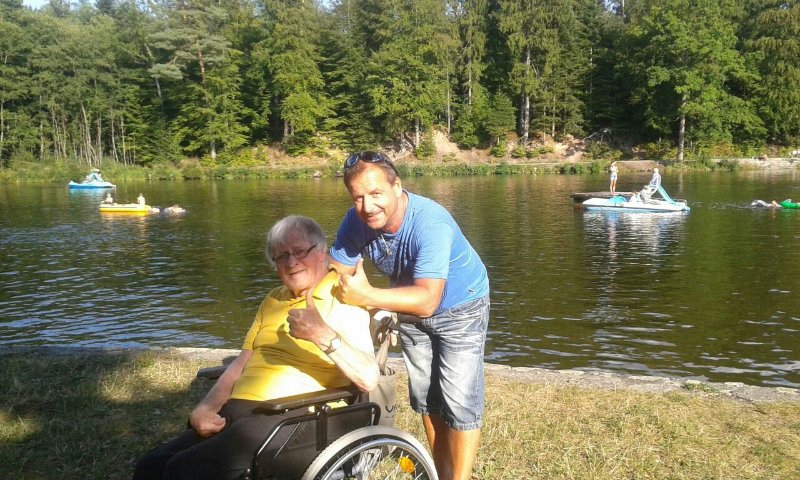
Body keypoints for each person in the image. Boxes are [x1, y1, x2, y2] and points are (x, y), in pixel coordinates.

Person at [133, 215, 379, 480]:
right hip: (239, 411)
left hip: (295, 417)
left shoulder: (343, 298)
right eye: (281, 256)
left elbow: (368, 378)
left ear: (321, 251)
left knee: (183, 470)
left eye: (299, 251)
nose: (291, 263)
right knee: (151, 466)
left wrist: (322, 335)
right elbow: (241, 363)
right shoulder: (273, 299)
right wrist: (206, 407)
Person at [329, 151, 490, 480]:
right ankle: (440, 473)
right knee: (427, 398)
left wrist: (369, 297)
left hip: (462, 306)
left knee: (459, 401)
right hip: (407, 306)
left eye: (376, 193)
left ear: (397, 187)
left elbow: (428, 301)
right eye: (358, 197)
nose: (367, 206)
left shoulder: (430, 222)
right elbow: (335, 272)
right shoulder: (355, 221)